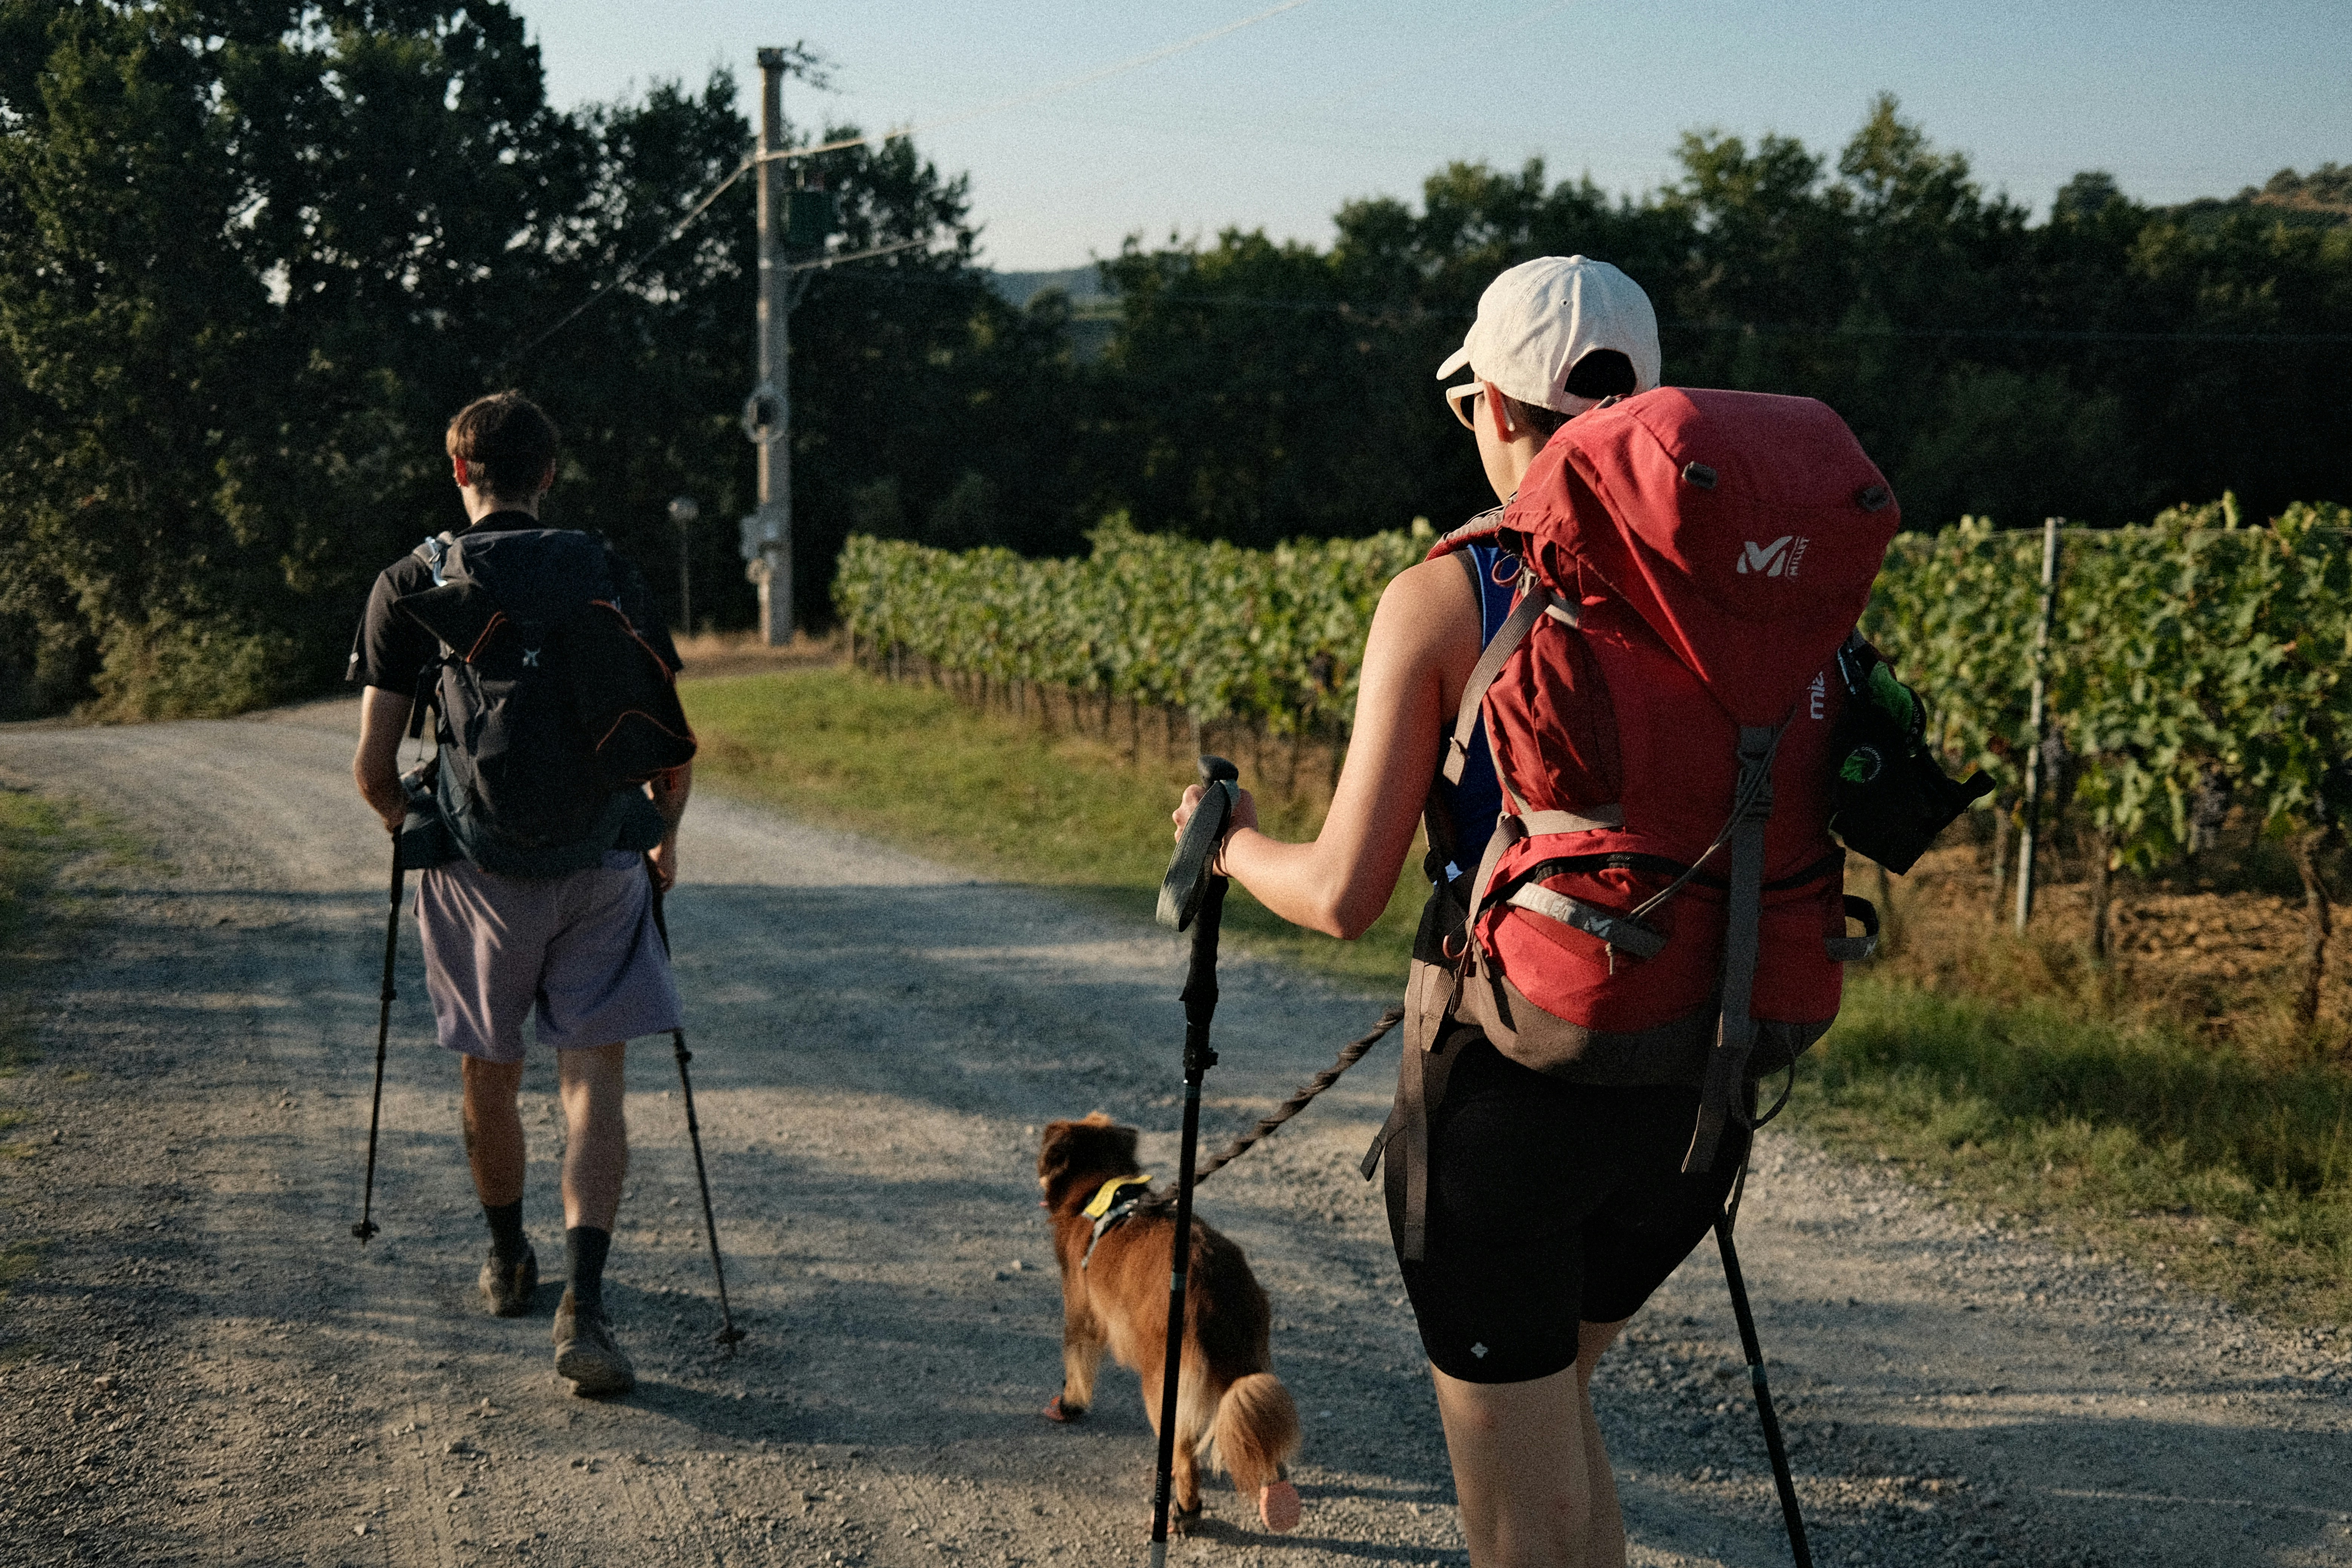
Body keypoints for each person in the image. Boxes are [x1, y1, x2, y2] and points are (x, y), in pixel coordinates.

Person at [1171, 257, 1744, 1566]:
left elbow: (1341, 894)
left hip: (1513, 1099)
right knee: (1557, 1426)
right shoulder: (1730, 581)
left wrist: (1233, 843)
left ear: (1491, 404)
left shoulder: (1446, 594)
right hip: (1698, 1091)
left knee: (1515, 1525)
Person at [348, 392, 690, 1397]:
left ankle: (509, 1260)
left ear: (460, 476)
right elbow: (667, 746)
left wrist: (417, 836)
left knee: (489, 1080)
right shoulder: (608, 572)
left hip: (472, 872)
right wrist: (661, 846)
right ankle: (587, 1303)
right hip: (601, 868)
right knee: (595, 1090)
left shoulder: (414, 581)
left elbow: (373, 768)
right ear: (548, 475)